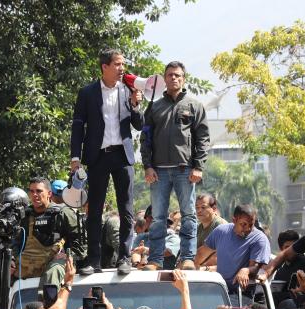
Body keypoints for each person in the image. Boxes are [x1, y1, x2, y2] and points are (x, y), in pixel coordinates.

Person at [71, 48, 144, 276]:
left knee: (127, 209)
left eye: (123, 64)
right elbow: (77, 126)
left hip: (123, 155)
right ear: (105, 66)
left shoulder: (128, 90)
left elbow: (139, 125)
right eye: (118, 64)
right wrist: (75, 157)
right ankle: (93, 259)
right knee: (94, 210)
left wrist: (135, 104)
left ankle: (124, 258)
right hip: (97, 156)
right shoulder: (87, 92)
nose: (122, 68)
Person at [141, 61, 210, 271]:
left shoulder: (194, 105)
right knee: (158, 218)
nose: (174, 78)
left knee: (188, 215)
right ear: (164, 79)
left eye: (178, 75)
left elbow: (203, 138)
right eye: (170, 75)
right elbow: (145, 138)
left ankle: (188, 258)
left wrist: (198, 166)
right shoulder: (154, 106)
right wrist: (147, 166)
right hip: (158, 171)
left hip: (185, 170)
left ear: (184, 78)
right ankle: (155, 260)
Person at [13, 177, 85, 288]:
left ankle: (46, 303)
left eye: (39, 191)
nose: (35, 194)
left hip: (55, 262)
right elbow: (15, 242)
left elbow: (80, 243)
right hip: (28, 263)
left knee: (52, 273)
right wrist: (13, 260)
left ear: (49, 193)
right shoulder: (25, 216)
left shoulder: (63, 213)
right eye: (32, 191)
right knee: (1, 278)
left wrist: (68, 255)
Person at [196, 204, 272, 294]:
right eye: (243, 224)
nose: (247, 228)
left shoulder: (260, 239)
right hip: (218, 290)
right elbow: (201, 254)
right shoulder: (221, 231)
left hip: (241, 293)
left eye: (251, 225)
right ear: (234, 220)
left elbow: (255, 267)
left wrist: (246, 270)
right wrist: (189, 267)